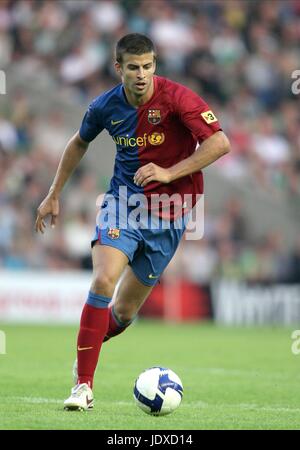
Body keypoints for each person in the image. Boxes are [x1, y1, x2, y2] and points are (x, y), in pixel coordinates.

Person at [35, 33, 230, 411]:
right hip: (123, 205)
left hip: (171, 214)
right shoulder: (104, 106)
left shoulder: (178, 99)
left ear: (155, 65)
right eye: (133, 68)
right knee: (103, 278)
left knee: (123, 315)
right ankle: (84, 386)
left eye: (148, 66)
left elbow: (220, 143)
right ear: (118, 68)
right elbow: (79, 142)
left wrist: (170, 173)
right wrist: (53, 193)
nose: (142, 75)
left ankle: (85, 353)